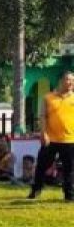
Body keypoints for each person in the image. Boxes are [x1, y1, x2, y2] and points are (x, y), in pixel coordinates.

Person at [29, 70, 74, 201]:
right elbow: (43, 116)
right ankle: (36, 189)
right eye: (68, 79)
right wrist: (43, 133)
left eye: (72, 80)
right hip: (51, 139)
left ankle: (69, 194)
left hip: (70, 140)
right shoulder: (48, 97)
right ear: (61, 81)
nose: (71, 82)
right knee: (42, 165)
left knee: (69, 168)